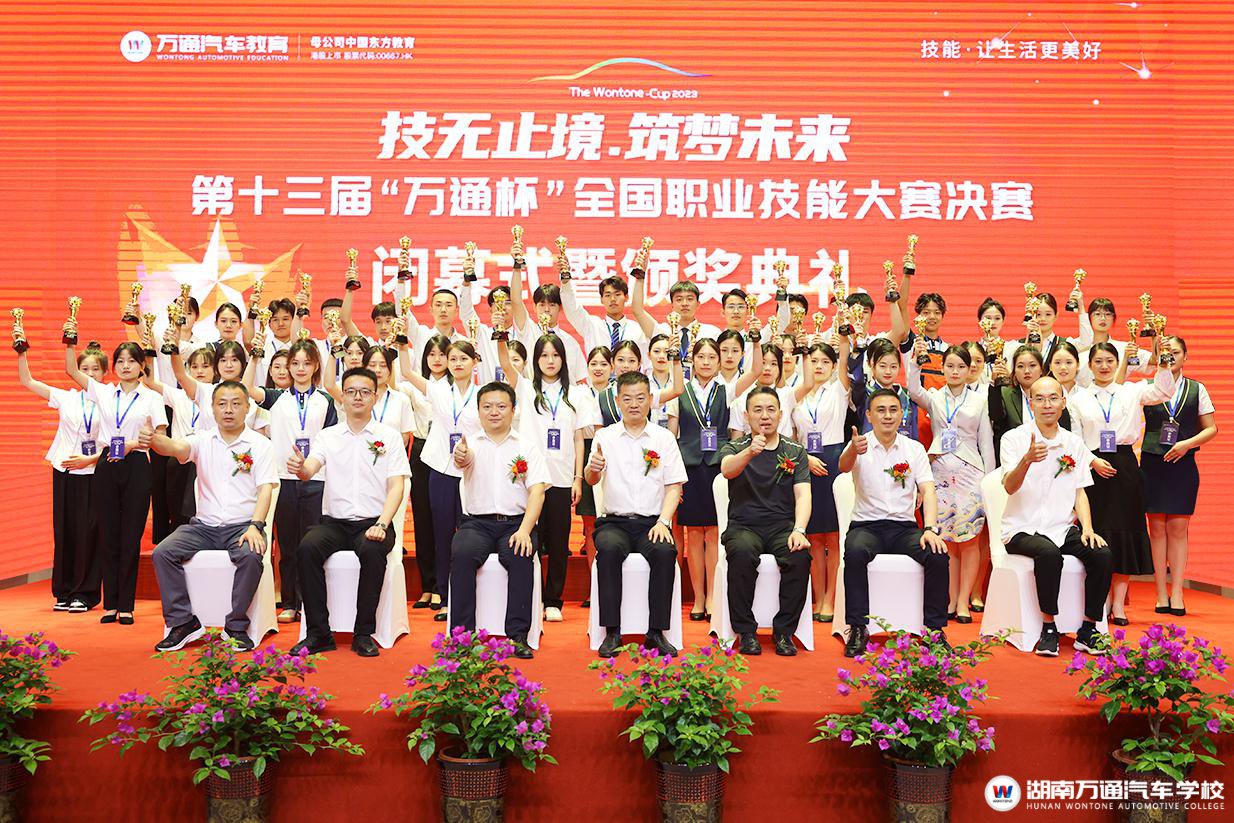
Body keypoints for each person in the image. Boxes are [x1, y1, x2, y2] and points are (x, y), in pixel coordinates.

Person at [142, 381, 277, 653]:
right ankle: (183, 622)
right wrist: (154, 440)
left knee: (251, 556)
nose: (228, 410)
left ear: (247, 408)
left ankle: (236, 626)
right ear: (212, 409)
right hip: (203, 527)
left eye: (236, 404)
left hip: (242, 526)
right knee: (163, 553)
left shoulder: (261, 445)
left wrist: (256, 526)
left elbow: (265, 490)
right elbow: (175, 447)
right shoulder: (201, 440)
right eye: (222, 404)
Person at [289, 368, 410, 657]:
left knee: (372, 550)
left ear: (375, 397)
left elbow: (397, 486)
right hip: (334, 523)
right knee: (307, 548)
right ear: (341, 398)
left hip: (374, 522)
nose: (358, 397)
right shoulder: (328, 436)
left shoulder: (389, 437)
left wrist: (383, 524)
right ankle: (319, 634)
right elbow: (310, 469)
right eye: (351, 392)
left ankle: (363, 633)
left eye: (365, 392)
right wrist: (301, 468)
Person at [1000, 376, 1112, 657]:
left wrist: (1087, 528)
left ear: (1063, 402)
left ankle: (1088, 629)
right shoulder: (1013, 439)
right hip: (1021, 528)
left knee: (1102, 554)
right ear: (1031, 403)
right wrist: (1026, 460)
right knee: (1049, 553)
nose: (1047, 404)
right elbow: (1009, 487)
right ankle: (1049, 627)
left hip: (1061, 527)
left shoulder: (1074, 443)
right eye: (1039, 399)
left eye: (1053, 398)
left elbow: (1080, 492)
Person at [65, 332, 169, 625]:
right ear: (114, 367)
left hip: (137, 465)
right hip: (107, 463)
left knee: (130, 536)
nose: (125, 366)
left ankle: (126, 606)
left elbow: (160, 436)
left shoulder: (152, 398)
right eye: (120, 361)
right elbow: (72, 370)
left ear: (142, 366)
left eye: (131, 361)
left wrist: (136, 443)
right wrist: (70, 340)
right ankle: (110, 604)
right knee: (108, 534)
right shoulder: (104, 392)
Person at [1069, 342, 1174, 624]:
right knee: (1099, 534)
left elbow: (1164, 391)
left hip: (1125, 467)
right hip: (1094, 469)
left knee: (1125, 536)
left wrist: (1164, 363)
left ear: (1118, 363)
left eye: (1109, 361)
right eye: (1098, 361)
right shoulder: (1078, 398)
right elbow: (1075, 439)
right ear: (1089, 366)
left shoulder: (1131, 390)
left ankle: (1118, 605)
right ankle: (1100, 602)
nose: (1104, 366)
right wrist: (1093, 461)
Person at [840, 389, 949, 658]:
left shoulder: (914, 449)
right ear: (869, 415)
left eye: (893, 410)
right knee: (854, 551)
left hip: (904, 528)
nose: (887, 416)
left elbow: (928, 490)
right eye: (880, 410)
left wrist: (930, 529)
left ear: (902, 414)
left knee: (937, 554)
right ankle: (857, 628)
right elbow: (843, 466)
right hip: (866, 526)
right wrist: (852, 450)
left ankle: (934, 631)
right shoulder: (859, 444)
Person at [586, 372, 687, 658]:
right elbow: (592, 479)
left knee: (665, 552)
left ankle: (656, 632)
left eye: (640, 398)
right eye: (627, 398)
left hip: (652, 523)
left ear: (651, 400)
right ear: (618, 401)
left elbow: (674, 486)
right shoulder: (605, 437)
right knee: (607, 550)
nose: (634, 404)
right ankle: (612, 631)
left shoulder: (664, 438)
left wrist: (664, 522)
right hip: (614, 522)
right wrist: (592, 469)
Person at [497, 332, 593, 623]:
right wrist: (501, 335)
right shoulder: (526, 388)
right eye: (544, 356)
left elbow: (579, 439)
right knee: (530, 537)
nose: (550, 361)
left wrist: (577, 478)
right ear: (535, 360)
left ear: (563, 359)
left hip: (562, 478)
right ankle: (532, 595)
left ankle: (553, 600)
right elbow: (505, 362)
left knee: (559, 541)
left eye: (555, 355)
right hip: (529, 478)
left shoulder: (577, 393)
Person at [448, 382, 547, 659]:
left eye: (501, 406)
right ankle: (462, 637)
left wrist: (525, 530)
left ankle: (518, 636)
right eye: (487, 406)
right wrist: (461, 456)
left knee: (520, 554)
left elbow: (537, 492)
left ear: (513, 410)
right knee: (462, 552)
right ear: (478, 411)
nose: (494, 412)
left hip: (516, 523)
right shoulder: (469, 445)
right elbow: (462, 461)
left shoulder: (527, 447)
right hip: (476, 523)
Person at [242, 338, 337, 623]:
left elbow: (331, 440)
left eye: (306, 363)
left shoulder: (325, 400)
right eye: (294, 363)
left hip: (317, 479)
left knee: (312, 543)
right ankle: (290, 602)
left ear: (316, 365)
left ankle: (310, 601)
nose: (300, 368)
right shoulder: (276, 397)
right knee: (287, 544)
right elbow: (247, 389)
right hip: (284, 480)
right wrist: (255, 357)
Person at [718, 387, 812, 656]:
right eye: (758, 410)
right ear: (747, 416)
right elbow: (726, 470)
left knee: (799, 555)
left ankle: (784, 632)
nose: (765, 416)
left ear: (781, 414)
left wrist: (799, 529)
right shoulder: (736, 447)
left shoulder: (794, 450)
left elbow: (803, 494)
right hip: (743, 525)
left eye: (771, 410)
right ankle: (746, 631)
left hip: (782, 527)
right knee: (742, 552)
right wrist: (750, 452)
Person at [395, 333, 483, 621]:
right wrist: (402, 344)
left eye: (463, 358)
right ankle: (444, 597)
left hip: (471, 471)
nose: (457, 363)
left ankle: (469, 595)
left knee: (470, 535)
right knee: (442, 534)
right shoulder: (437, 390)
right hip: (441, 469)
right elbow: (406, 371)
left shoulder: (483, 395)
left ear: (475, 362)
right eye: (452, 358)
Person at [907, 343, 995, 624]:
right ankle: (950, 598)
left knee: (969, 539)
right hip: (940, 473)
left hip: (971, 474)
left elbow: (986, 442)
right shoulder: (934, 398)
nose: (955, 371)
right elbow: (913, 390)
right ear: (942, 368)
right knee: (946, 539)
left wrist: (989, 481)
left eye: (961, 367)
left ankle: (963, 602)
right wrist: (915, 362)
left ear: (969, 370)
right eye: (950, 366)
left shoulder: (979, 400)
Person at [15, 340, 104, 612]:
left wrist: (90, 459)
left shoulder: (111, 400)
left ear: (104, 373)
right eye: (85, 369)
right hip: (64, 470)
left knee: (89, 533)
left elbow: (118, 441)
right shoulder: (66, 397)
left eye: (96, 369)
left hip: (93, 471)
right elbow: (27, 381)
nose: (90, 374)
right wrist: (22, 352)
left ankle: (85, 593)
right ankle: (64, 591)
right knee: (64, 531)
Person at [678, 335, 762, 621]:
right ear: (692, 360)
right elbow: (673, 433)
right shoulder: (680, 391)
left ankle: (713, 595)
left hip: (716, 467)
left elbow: (755, 371)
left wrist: (756, 342)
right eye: (700, 357)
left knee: (713, 533)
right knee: (693, 534)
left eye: (711, 357)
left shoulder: (725, 390)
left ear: (718, 362)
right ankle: (698, 598)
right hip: (690, 467)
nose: (706, 362)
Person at [1141, 336, 1218, 617]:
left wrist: (1186, 444)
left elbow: (1211, 428)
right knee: (1156, 529)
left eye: (1175, 352)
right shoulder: (1147, 387)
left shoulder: (1197, 389)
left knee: (1178, 529)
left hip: (1183, 464)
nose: (1170, 357)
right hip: (1152, 463)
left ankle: (1177, 592)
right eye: (1165, 352)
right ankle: (1160, 592)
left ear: (1186, 356)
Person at [791, 340, 852, 623]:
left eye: (825, 362)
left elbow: (845, 358)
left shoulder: (839, 389)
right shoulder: (796, 392)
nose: (819, 366)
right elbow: (791, 435)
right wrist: (804, 458)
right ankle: (817, 597)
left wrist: (844, 337)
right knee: (813, 535)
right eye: (814, 361)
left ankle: (831, 598)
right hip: (805, 461)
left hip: (833, 460)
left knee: (834, 535)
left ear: (833, 365)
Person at [395, 333, 450, 611]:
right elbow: (402, 373)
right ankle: (427, 586)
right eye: (432, 354)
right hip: (420, 451)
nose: (437, 360)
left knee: (444, 521)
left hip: (447, 452)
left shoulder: (454, 387)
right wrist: (401, 346)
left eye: (442, 354)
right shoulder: (414, 387)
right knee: (422, 519)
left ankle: (443, 586)